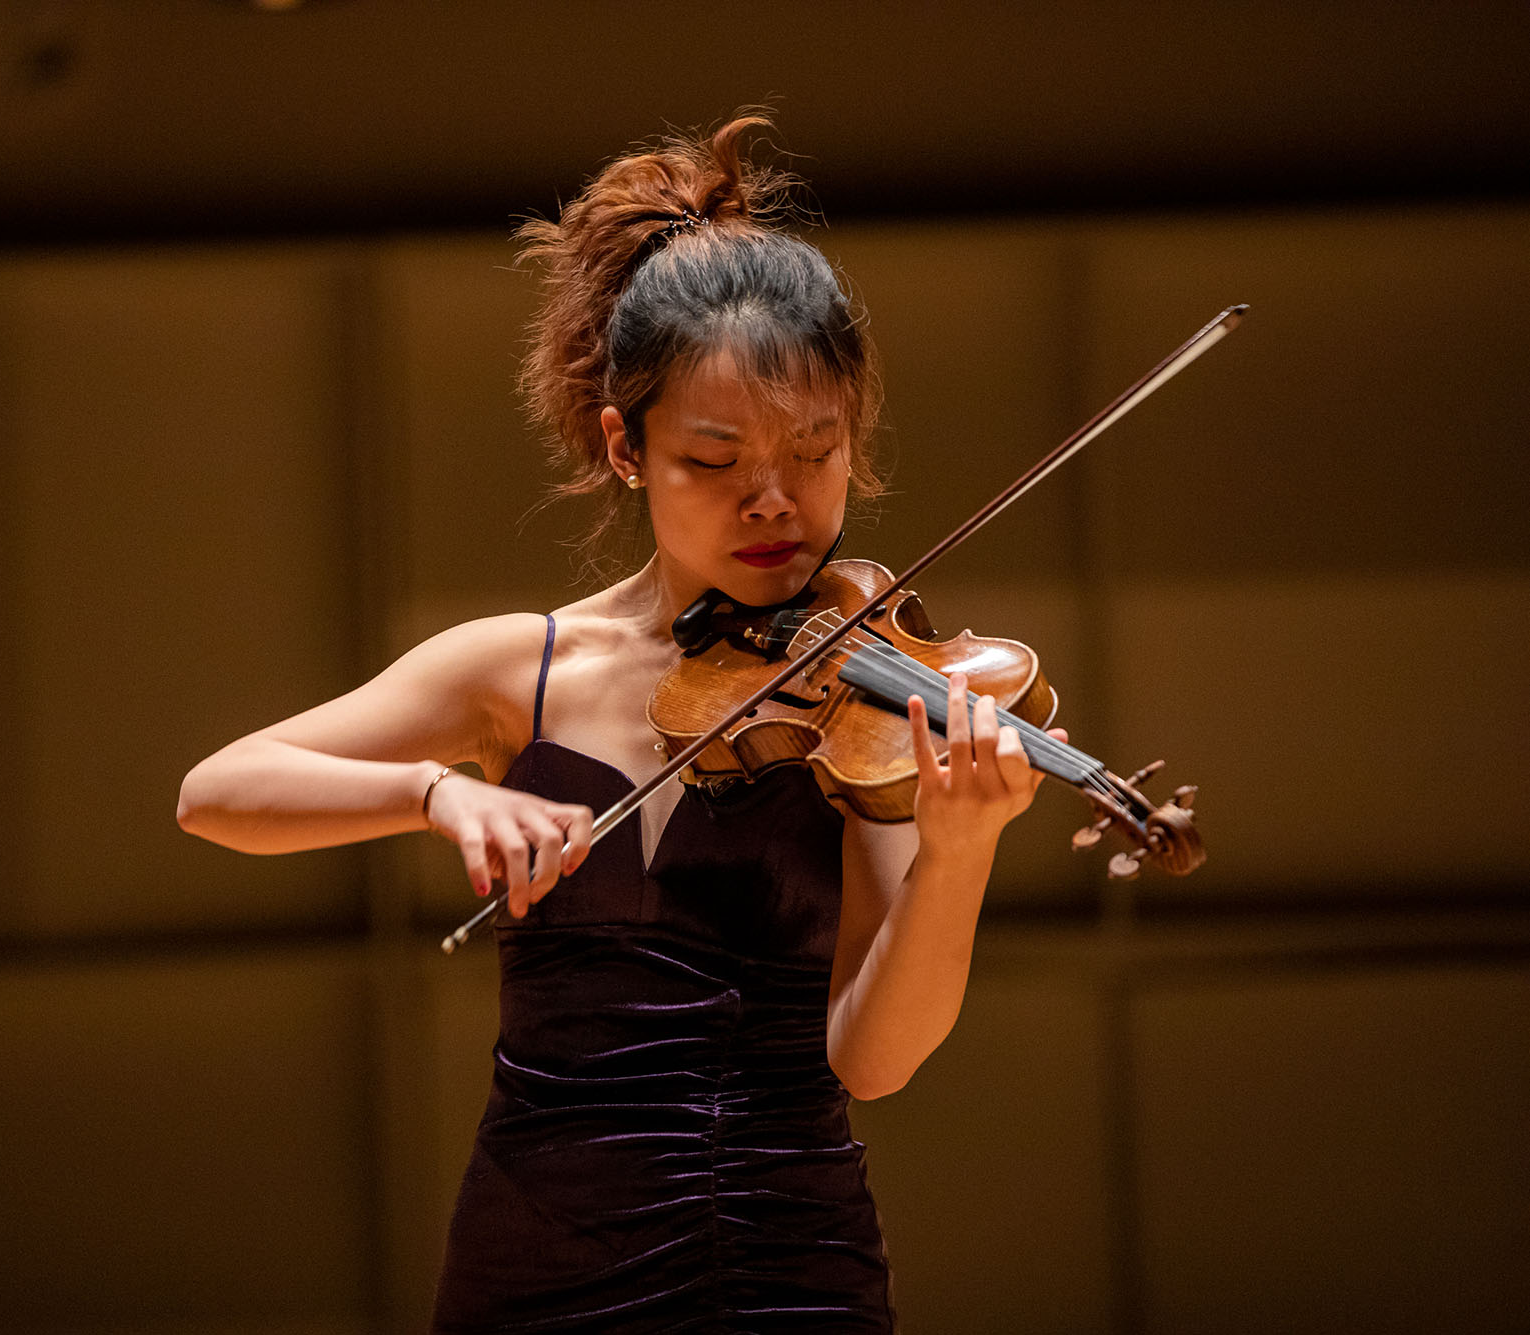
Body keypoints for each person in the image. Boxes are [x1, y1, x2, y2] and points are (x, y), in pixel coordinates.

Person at [177, 114, 1058, 1333]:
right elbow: (219, 792)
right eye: (714, 458)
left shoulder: (868, 702)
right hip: (539, 1250)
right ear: (624, 447)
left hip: (784, 1261)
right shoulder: (520, 670)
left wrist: (959, 858)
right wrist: (439, 793)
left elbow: (874, 1060)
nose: (774, 500)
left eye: (816, 451)